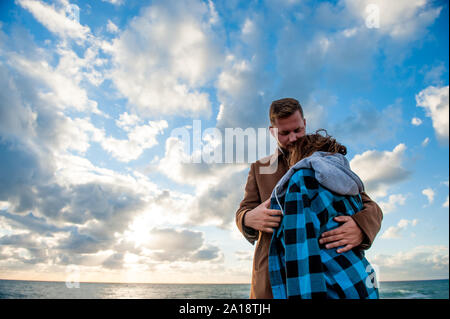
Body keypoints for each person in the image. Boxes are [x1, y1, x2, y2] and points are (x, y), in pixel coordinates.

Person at [235, 98, 383, 299]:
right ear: (272, 131)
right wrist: (247, 218)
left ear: (305, 123)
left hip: (326, 273)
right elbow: (243, 210)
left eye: (297, 130)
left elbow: (368, 204)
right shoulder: (259, 168)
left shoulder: (326, 159)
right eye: (284, 133)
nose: (293, 138)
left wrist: (360, 227)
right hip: (271, 280)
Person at [268, 130, 379, 299]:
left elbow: (302, 260)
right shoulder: (349, 183)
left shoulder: (303, 179)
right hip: (361, 280)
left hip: (333, 288)